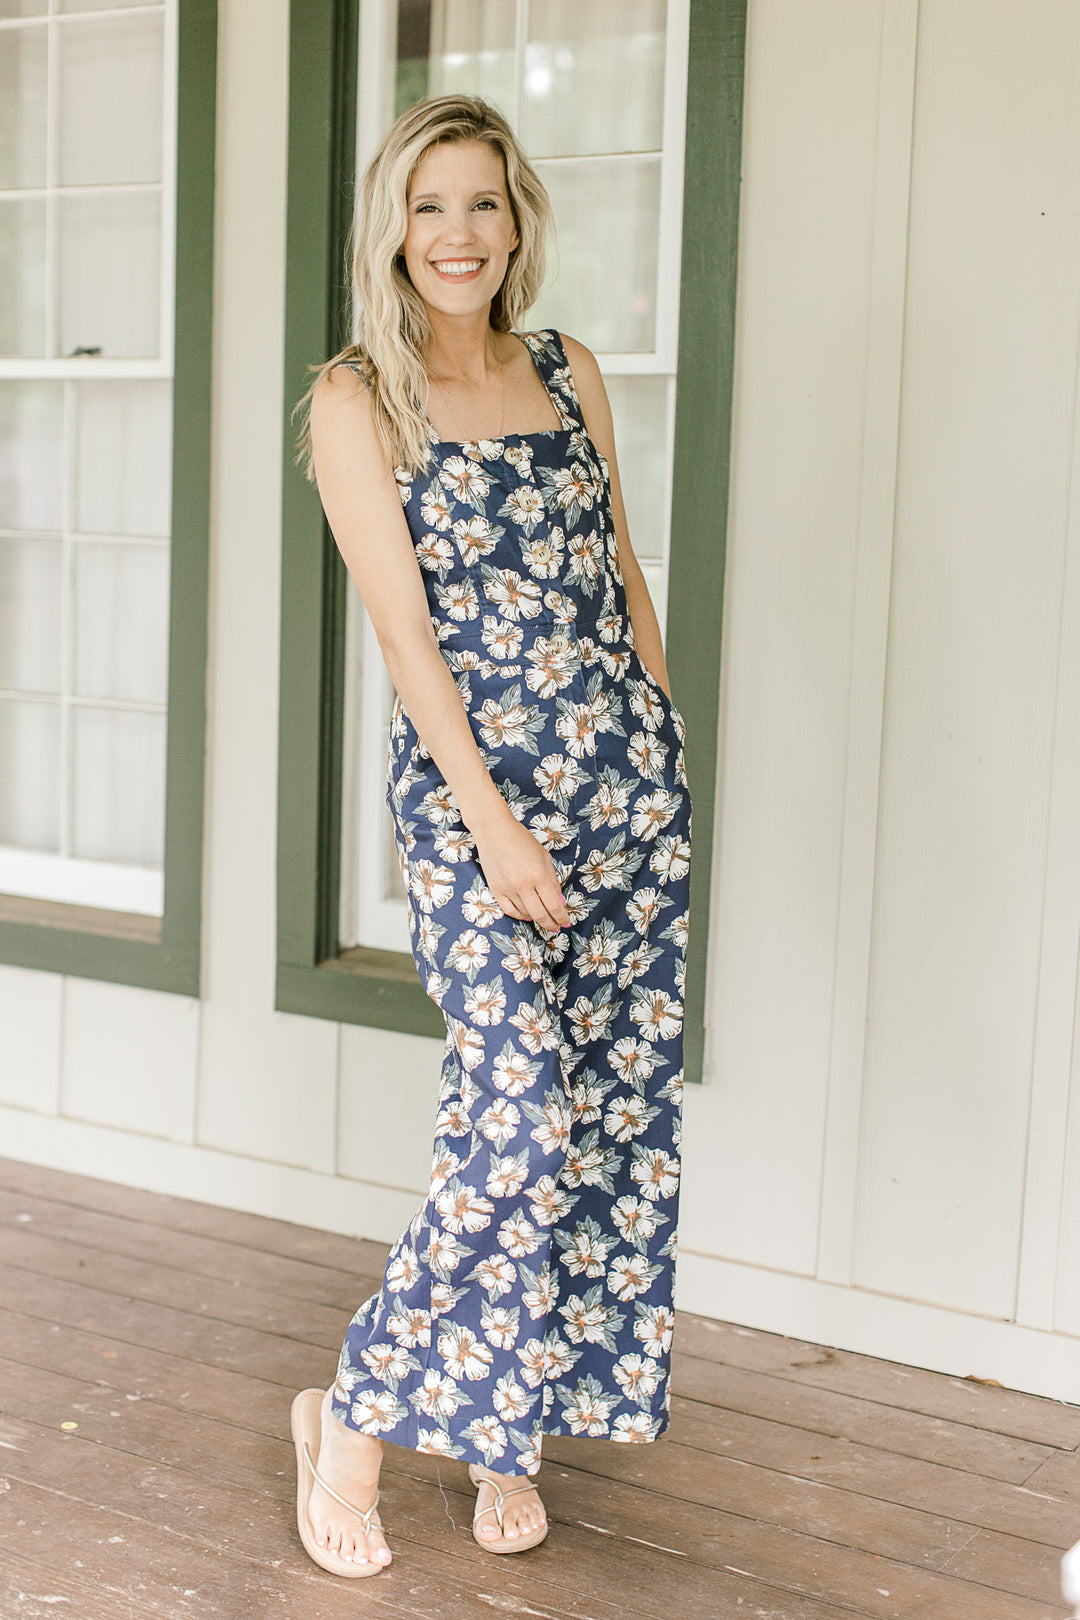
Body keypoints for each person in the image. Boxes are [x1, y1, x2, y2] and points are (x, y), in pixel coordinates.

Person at [290, 92, 691, 1578]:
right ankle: (357, 1420)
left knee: (601, 1134)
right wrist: (494, 828)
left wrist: (665, 737)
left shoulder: (569, 369)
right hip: (482, 809)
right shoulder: (356, 400)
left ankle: (501, 1434)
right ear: (391, 227)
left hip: (628, 799)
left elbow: (620, 574)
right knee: (512, 1123)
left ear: (516, 221)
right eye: (428, 206)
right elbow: (409, 646)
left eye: (482, 204)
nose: (456, 235)